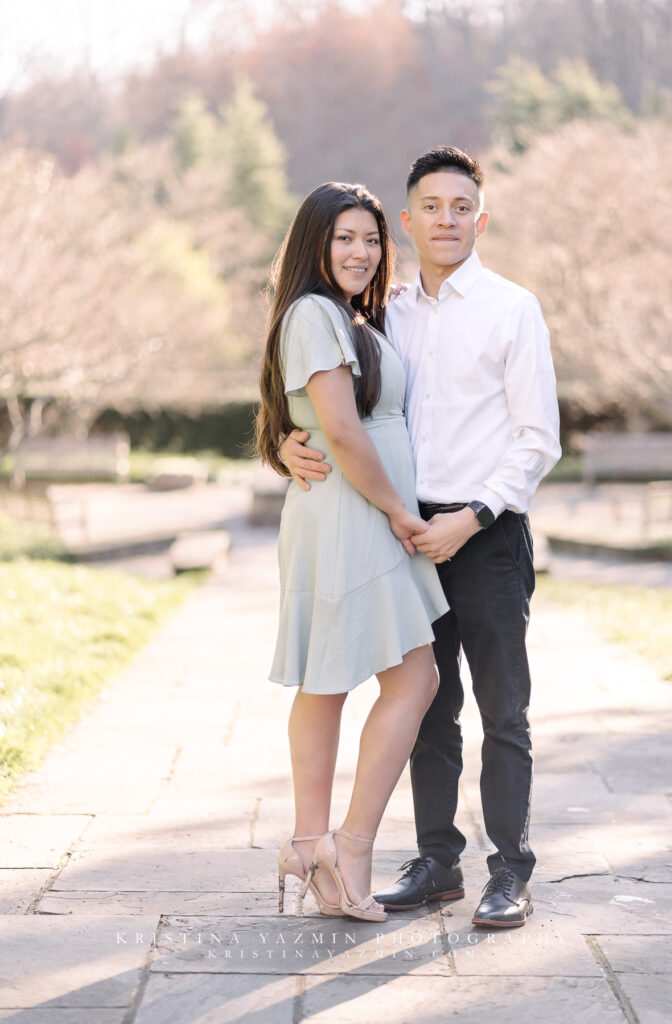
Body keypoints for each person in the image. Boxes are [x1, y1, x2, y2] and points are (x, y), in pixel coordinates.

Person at [280, 147, 561, 928]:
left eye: (461, 206)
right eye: (431, 207)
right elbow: (329, 403)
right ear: (407, 221)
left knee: (504, 709)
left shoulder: (512, 307)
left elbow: (537, 439)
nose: (447, 219)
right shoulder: (381, 311)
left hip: (482, 530)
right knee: (424, 705)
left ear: (480, 216)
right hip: (399, 535)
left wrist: (470, 519)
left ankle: (509, 870)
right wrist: (284, 445)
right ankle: (436, 861)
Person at [257, 181, 449, 923]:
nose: (361, 252)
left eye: (371, 239)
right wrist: (400, 512)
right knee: (403, 677)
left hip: (357, 511)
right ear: (314, 243)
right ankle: (342, 844)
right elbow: (337, 429)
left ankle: (317, 844)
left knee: (341, 677)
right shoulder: (312, 313)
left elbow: (313, 415)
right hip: (354, 514)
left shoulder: (347, 319)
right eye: (344, 237)